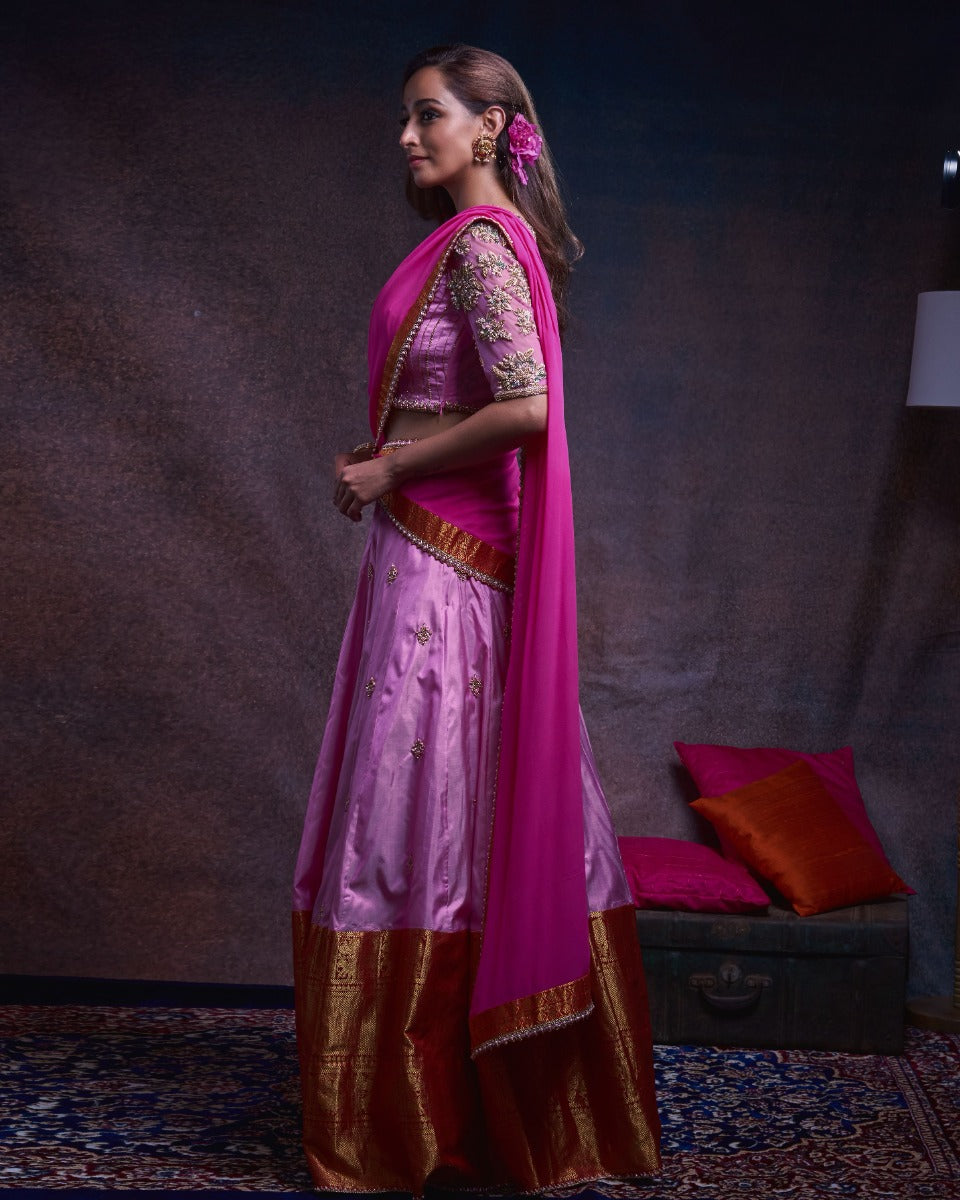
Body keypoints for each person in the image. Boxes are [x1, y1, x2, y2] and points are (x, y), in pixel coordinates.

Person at [291, 43, 661, 1195]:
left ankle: (435, 1114)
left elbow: (530, 408)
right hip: (423, 557)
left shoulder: (486, 244)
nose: (407, 137)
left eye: (428, 115)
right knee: (430, 819)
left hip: (451, 579)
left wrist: (394, 468)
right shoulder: (471, 242)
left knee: (420, 824)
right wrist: (389, 464)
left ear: (491, 126)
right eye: (406, 119)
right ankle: (438, 1104)